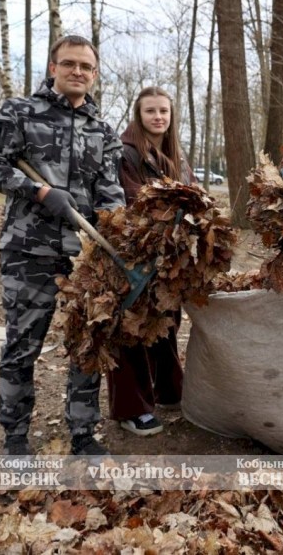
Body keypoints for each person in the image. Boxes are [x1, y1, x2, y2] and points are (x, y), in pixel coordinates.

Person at [0, 35, 125, 456]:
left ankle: (83, 433)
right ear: (53, 68)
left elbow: (110, 192)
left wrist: (113, 228)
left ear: (94, 75)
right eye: (69, 63)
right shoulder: (19, 112)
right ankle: (16, 438)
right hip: (28, 252)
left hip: (84, 257)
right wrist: (38, 191)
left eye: (86, 67)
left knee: (85, 344)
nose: (78, 71)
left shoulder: (102, 131)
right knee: (23, 345)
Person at [106, 87, 194, 436]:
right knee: (133, 325)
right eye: (150, 111)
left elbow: (192, 192)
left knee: (167, 319)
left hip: (168, 254)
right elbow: (131, 201)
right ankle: (133, 407)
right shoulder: (126, 154)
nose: (158, 117)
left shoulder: (174, 156)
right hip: (134, 253)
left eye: (163, 111)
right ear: (138, 116)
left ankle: (169, 389)